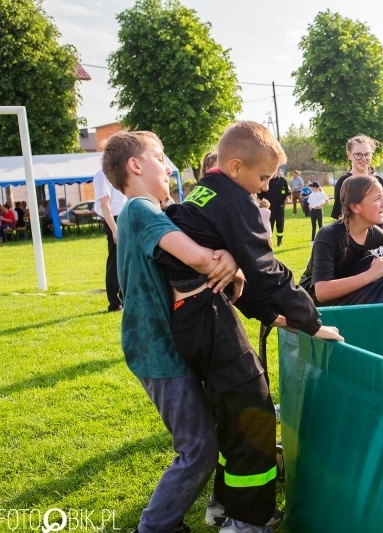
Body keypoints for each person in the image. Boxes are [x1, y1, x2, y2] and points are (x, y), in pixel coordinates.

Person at [159, 121, 343, 533]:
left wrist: (270, 315)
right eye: (263, 178)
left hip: (190, 317)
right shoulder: (236, 201)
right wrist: (310, 320)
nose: (265, 187)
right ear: (236, 167)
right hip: (206, 315)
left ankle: (225, 504)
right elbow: (265, 270)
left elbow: (237, 275)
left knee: (230, 412)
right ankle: (248, 522)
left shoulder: (203, 192)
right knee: (254, 412)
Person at [101, 130, 239, 533]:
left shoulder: (148, 210)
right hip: (157, 350)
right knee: (198, 450)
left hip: (170, 345)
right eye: (159, 157)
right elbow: (201, 260)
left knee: (206, 438)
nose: (167, 167)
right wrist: (233, 257)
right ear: (135, 165)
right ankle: (155, 527)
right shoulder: (140, 209)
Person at [302, 174, 383, 304]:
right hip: (311, 308)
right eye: (377, 198)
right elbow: (322, 292)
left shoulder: (379, 237)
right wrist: (369, 275)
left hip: (349, 306)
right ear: (355, 207)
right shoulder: (329, 235)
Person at [330, 134, 383, 242]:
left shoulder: (379, 181)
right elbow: (342, 217)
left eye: (367, 154)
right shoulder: (344, 182)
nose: (363, 158)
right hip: (355, 243)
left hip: (378, 241)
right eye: (358, 154)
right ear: (349, 155)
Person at [94, 168, 128, 312]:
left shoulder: (121, 170)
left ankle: (125, 299)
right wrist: (114, 229)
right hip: (114, 220)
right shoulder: (102, 175)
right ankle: (114, 303)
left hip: (125, 215)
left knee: (126, 261)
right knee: (115, 261)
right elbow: (104, 205)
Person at [258, 167, 289, 246]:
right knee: (269, 223)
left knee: (280, 224)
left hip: (280, 206)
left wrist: (287, 197)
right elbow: (261, 192)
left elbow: (288, 191)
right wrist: (259, 200)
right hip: (269, 207)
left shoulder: (282, 180)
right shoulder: (267, 181)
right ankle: (268, 240)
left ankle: (279, 241)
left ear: (277, 171)